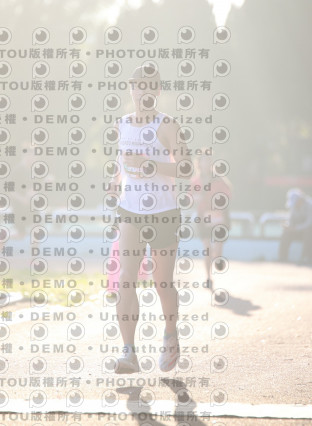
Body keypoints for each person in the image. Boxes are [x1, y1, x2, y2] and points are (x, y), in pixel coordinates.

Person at [105, 65, 191, 374]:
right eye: (136, 86)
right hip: (130, 211)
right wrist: (115, 180)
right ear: (131, 90)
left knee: (162, 282)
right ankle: (129, 352)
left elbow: (186, 168)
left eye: (147, 86)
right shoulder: (122, 124)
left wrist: (151, 165)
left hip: (164, 212)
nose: (141, 91)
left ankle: (170, 334)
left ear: (157, 91)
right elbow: (121, 162)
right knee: (125, 278)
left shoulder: (167, 125)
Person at [191, 155, 232, 290]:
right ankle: (208, 278)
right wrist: (196, 198)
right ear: (199, 164)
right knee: (207, 248)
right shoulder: (196, 181)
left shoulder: (219, 179)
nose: (207, 163)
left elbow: (228, 194)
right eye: (204, 161)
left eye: (209, 161)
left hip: (219, 216)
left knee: (218, 249)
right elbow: (189, 197)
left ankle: (217, 257)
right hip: (203, 217)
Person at [278, 188, 312, 263]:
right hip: (302, 231)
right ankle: (282, 257)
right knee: (286, 233)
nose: (295, 205)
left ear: (300, 199)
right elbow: (291, 220)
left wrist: (295, 228)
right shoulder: (294, 207)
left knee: (308, 232)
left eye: (296, 202)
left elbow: (310, 224)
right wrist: (288, 227)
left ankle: (306, 258)